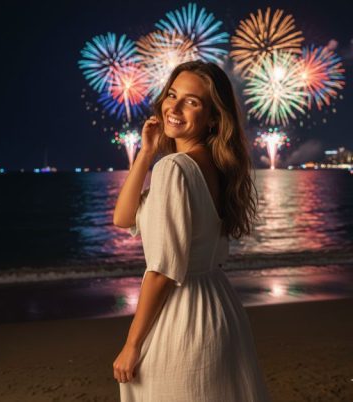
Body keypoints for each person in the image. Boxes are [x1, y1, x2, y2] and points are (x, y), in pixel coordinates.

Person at [111, 61, 271, 401]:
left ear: (213, 117)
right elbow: (123, 218)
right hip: (220, 307)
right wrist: (146, 153)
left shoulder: (175, 169)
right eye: (172, 95)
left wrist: (132, 343)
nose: (174, 107)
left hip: (183, 317)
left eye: (192, 102)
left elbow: (162, 271)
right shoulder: (214, 166)